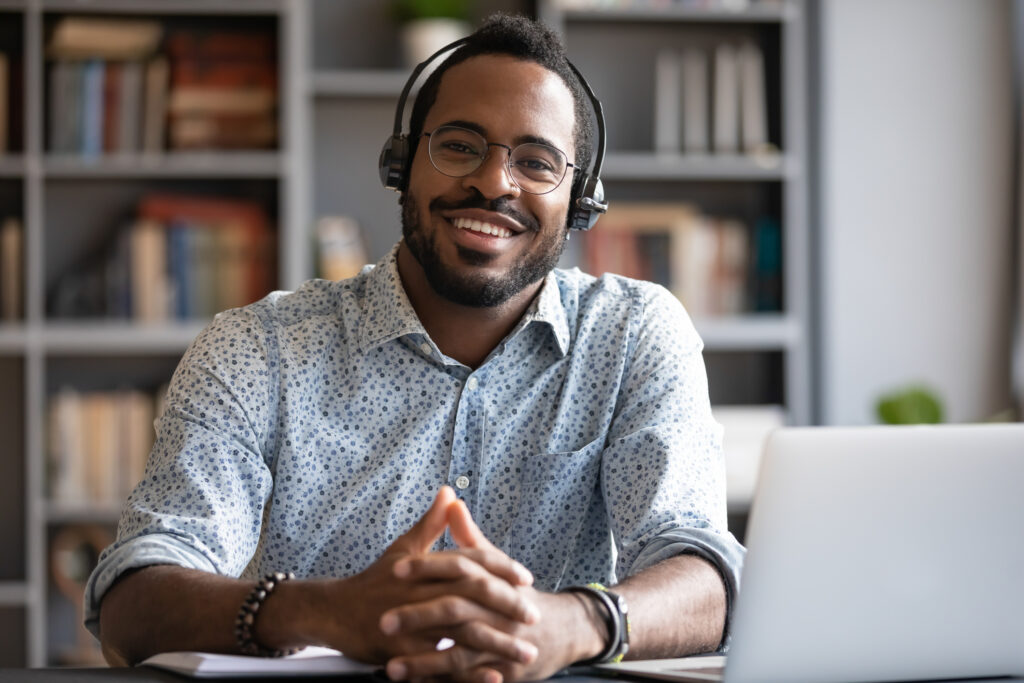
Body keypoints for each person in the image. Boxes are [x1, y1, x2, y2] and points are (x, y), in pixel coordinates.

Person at [85, 14, 744, 683]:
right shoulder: (256, 350)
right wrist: (327, 612)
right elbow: (134, 600)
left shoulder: (634, 336)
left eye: (536, 162)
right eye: (460, 146)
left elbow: (708, 578)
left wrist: (571, 623)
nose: (495, 182)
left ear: (579, 200)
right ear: (402, 166)